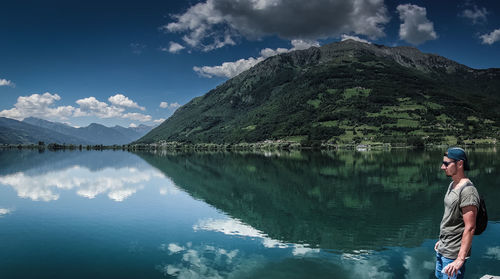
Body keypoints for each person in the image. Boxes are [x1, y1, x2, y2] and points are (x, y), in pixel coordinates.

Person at [435, 147, 480, 279]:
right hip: (443, 248)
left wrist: (460, 259)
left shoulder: (468, 192)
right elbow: (451, 218)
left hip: (453, 255)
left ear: (460, 164)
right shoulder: (453, 184)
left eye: (446, 164)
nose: (443, 167)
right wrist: (442, 241)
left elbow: (470, 227)